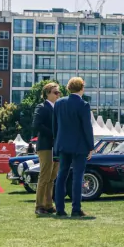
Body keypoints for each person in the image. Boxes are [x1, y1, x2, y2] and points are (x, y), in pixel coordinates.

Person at [53, 77, 95, 217]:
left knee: (61, 176)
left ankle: (59, 209)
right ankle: (76, 209)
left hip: (63, 145)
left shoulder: (58, 103)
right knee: (78, 177)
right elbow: (87, 128)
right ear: (82, 88)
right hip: (79, 146)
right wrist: (91, 146)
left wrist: (57, 143)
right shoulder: (83, 105)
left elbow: (55, 126)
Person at [32, 82, 61, 217]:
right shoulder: (42, 107)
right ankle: (39, 206)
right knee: (44, 176)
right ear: (47, 93)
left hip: (56, 147)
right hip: (45, 146)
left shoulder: (58, 107)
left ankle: (49, 205)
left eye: (58, 92)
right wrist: (53, 134)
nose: (58, 94)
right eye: (55, 92)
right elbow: (37, 125)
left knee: (52, 177)